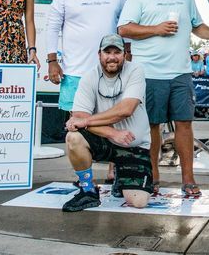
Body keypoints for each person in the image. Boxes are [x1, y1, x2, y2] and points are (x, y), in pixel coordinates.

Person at [116, 0, 209, 198]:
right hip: (149, 73)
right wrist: (156, 29)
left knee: (184, 125)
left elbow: (197, 26)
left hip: (181, 73)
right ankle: (153, 178)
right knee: (153, 127)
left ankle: (188, 179)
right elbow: (124, 29)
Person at [61, 35, 152, 211]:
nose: (112, 57)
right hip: (106, 142)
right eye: (107, 52)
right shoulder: (89, 77)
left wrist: (85, 121)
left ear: (124, 54)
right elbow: (78, 114)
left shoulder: (136, 70)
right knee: (73, 137)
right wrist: (113, 133)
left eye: (117, 52)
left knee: (138, 202)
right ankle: (87, 190)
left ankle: (120, 175)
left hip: (134, 146)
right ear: (99, 54)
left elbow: (125, 110)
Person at [46, 0, 126, 113]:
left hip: (109, 69)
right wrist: (52, 61)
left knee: (109, 118)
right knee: (76, 122)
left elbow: (124, 24)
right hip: (74, 71)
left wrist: (129, 52)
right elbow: (52, 28)